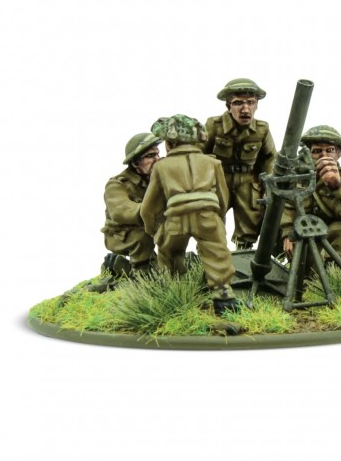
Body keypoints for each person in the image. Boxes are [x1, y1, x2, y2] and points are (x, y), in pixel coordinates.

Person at [140, 114, 239, 314]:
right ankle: (223, 296)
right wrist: (218, 220)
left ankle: (175, 291)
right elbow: (223, 197)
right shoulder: (213, 163)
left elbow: (149, 206)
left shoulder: (161, 166)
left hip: (175, 219)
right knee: (217, 253)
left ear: (170, 143)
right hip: (207, 216)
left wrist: (153, 229)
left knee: (169, 253)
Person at [203, 78, 277, 249]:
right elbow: (200, 154)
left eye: (250, 102)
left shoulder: (262, 129)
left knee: (250, 218)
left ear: (257, 105)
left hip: (247, 180)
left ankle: (244, 253)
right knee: (210, 218)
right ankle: (212, 255)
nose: (245, 109)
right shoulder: (214, 126)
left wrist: (268, 184)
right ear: (228, 106)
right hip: (219, 179)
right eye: (238, 103)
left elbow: (270, 158)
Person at [281, 125, 341, 262]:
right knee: (305, 266)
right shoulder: (298, 178)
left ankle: (337, 271)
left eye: (330, 150)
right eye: (317, 151)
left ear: (338, 153)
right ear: (308, 154)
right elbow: (288, 207)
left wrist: (338, 185)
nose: (324, 155)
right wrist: (288, 234)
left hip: (336, 234)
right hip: (306, 231)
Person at [101, 132, 162, 275]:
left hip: (151, 227)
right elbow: (120, 211)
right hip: (122, 235)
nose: (157, 159)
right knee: (142, 237)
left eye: (157, 154)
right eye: (150, 156)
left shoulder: (157, 177)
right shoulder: (117, 184)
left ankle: (159, 265)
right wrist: (154, 210)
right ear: (135, 163)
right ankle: (139, 275)